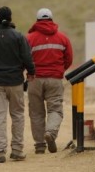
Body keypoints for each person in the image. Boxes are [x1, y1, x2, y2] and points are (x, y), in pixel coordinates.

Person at [0, 6, 36, 163]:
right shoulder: (18, 36)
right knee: (17, 115)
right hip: (16, 82)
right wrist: (30, 72)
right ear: (10, 18)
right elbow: (27, 58)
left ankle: (0, 151)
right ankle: (17, 150)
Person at [26, 8, 73, 154]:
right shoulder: (62, 38)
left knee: (36, 112)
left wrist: (29, 72)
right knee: (55, 109)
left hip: (34, 79)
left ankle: (40, 145)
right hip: (55, 79)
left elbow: (24, 58)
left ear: (37, 20)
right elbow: (69, 58)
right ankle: (51, 133)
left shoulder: (29, 38)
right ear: (51, 19)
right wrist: (59, 70)